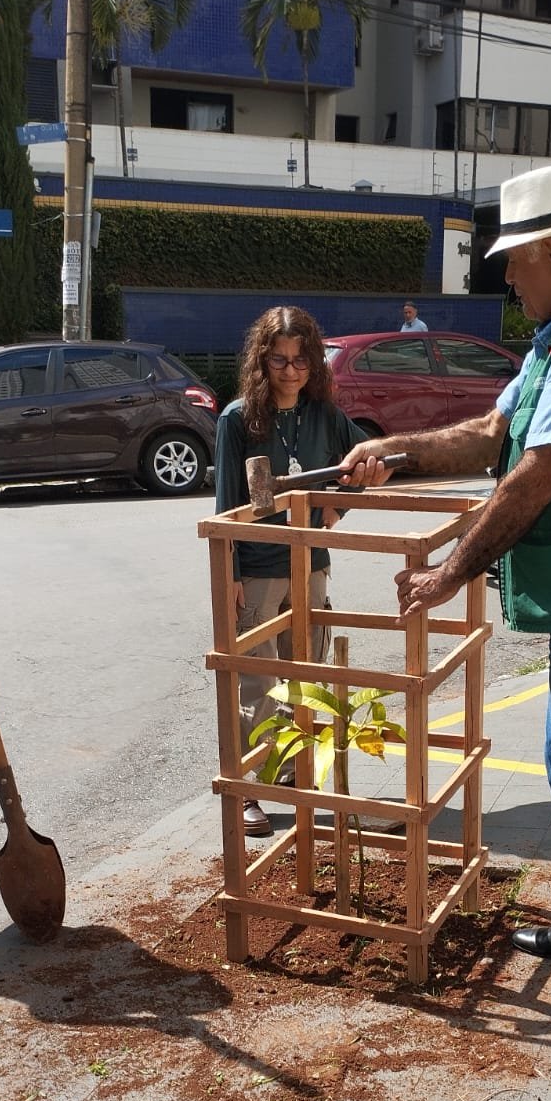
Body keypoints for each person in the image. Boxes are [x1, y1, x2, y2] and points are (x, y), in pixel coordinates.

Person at [340, 163, 551, 1027]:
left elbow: (536, 474)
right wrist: (402, 452)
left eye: (517, 259)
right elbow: (496, 433)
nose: (506, 274)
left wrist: (449, 570)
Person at [214, 306, 366, 837]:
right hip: (256, 568)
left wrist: (339, 506)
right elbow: (225, 503)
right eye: (279, 359)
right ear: (262, 360)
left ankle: (294, 776)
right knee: (257, 684)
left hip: (311, 565)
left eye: (301, 359)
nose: (290, 370)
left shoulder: (326, 416)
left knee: (306, 675)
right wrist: (229, 571)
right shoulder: (237, 420)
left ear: (314, 361)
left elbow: (362, 463)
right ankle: (250, 790)